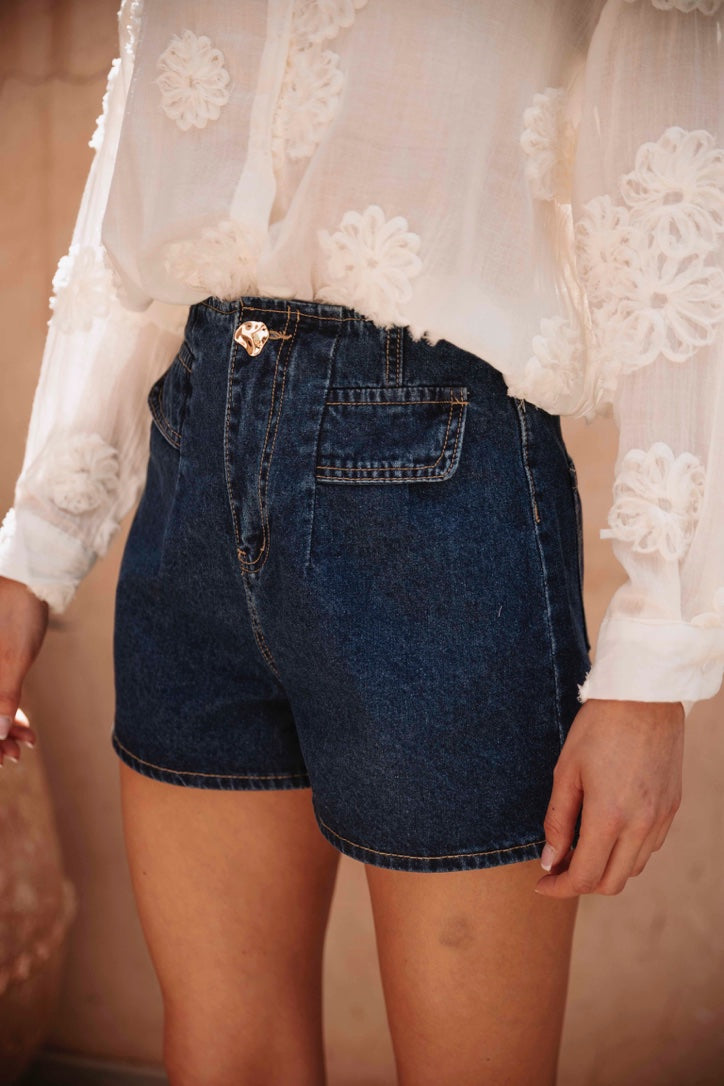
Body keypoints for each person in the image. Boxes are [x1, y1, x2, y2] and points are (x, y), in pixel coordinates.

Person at [0, 1, 721, 1083]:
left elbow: (684, 188)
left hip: (440, 491)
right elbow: (127, 202)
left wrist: (661, 655)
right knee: (227, 1059)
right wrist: (33, 551)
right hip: (194, 461)